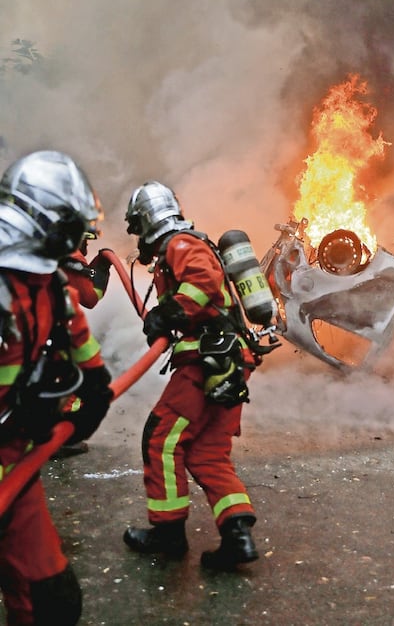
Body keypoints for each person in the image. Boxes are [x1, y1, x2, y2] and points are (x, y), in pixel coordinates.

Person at [122, 180, 262, 571]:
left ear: (146, 221)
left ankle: (167, 535)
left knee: (161, 438)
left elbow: (203, 283)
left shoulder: (180, 245)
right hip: (229, 363)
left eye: (137, 228)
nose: (138, 240)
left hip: (206, 364)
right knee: (207, 453)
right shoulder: (180, 248)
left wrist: (169, 314)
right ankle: (237, 537)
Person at [0, 150, 113, 624]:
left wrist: (96, 387)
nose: (77, 239)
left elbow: (75, 327)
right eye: (71, 228)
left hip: (14, 463)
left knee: (52, 599)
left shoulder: (47, 281)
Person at [55, 235, 112, 458]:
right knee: (73, 377)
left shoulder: (46, 249)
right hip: (55, 328)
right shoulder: (71, 256)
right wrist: (103, 269)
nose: (87, 246)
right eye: (87, 239)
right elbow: (89, 298)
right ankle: (64, 439)